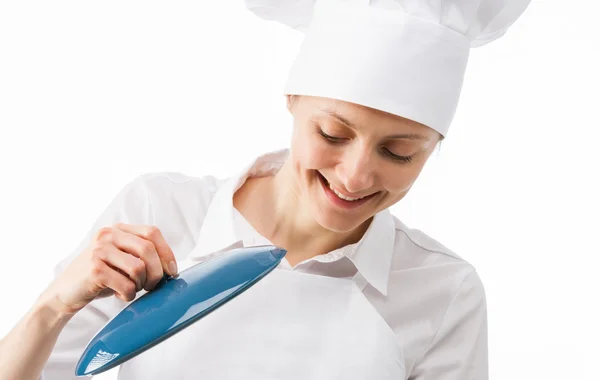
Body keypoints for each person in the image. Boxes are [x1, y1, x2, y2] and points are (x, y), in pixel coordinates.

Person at [0, 0, 531, 379]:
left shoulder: (442, 292)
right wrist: (53, 306)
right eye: (332, 134)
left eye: (399, 152)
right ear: (293, 98)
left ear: (435, 144)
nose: (354, 176)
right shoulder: (160, 214)